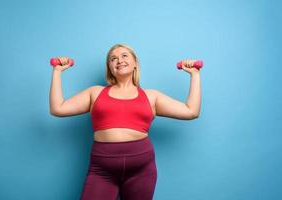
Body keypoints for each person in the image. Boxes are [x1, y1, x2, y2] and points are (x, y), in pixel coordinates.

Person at [49, 44, 201, 200]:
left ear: (135, 62)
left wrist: (194, 75)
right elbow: (57, 108)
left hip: (141, 170)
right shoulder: (95, 92)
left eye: (124, 56)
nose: (119, 60)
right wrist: (57, 72)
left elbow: (191, 111)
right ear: (110, 67)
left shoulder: (151, 96)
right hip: (102, 170)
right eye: (113, 59)